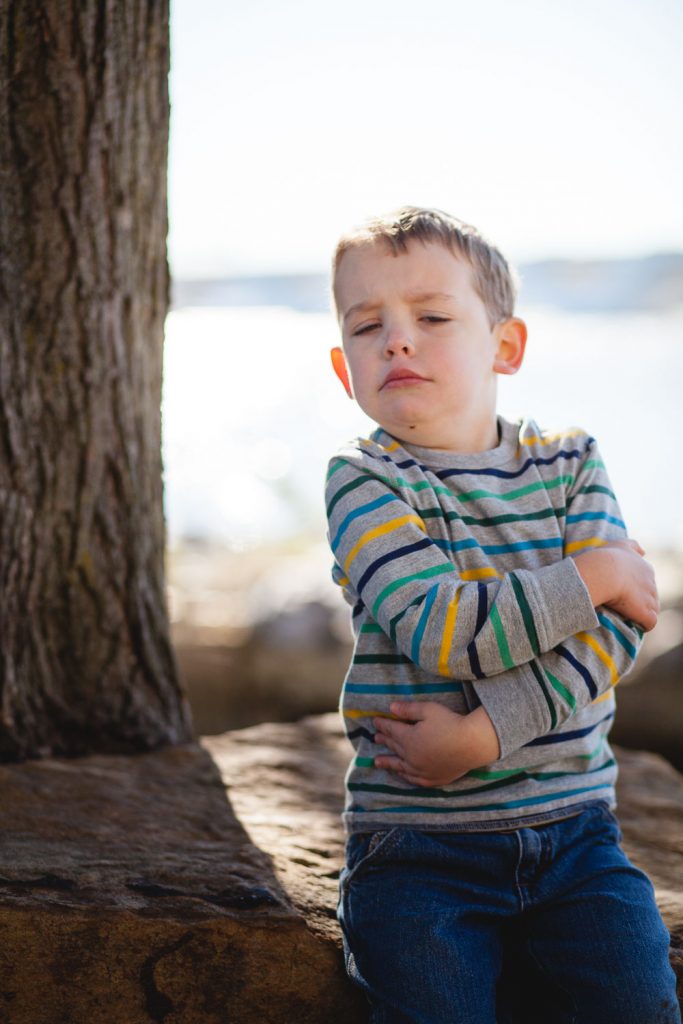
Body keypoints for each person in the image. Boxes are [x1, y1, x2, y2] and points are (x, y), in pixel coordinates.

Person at [324, 206, 679, 1024]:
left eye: (432, 316)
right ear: (345, 368)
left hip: (577, 838)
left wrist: (483, 736)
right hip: (417, 849)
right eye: (368, 324)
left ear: (504, 346)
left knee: (637, 1008)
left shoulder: (571, 460)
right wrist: (591, 572)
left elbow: (619, 628)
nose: (397, 340)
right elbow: (444, 632)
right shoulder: (364, 480)